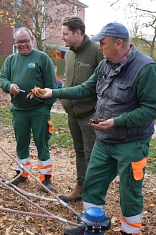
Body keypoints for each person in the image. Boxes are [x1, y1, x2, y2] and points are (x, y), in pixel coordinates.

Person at [36, 22, 156, 235]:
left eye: (103, 43)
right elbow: (86, 88)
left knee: (130, 191)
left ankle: (130, 232)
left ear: (118, 43)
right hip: (104, 140)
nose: (100, 47)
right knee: (92, 185)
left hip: (131, 143)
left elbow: (152, 109)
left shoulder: (145, 68)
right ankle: (92, 227)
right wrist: (54, 93)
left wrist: (117, 121)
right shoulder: (105, 64)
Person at [0, 27, 57, 191]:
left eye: (26, 41)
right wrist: (9, 86)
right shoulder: (11, 60)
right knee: (21, 143)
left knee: (42, 142)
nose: (23, 44)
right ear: (15, 42)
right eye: (19, 42)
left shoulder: (42, 58)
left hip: (39, 109)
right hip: (19, 110)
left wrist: (46, 107)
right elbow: (3, 79)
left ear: (32, 39)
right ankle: (22, 173)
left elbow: (52, 86)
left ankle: (46, 177)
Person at [59, 16, 104, 202]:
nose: (63, 38)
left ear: (78, 33)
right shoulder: (69, 53)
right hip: (72, 114)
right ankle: (80, 187)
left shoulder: (96, 51)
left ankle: (94, 194)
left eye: (65, 34)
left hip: (89, 114)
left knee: (92, 154)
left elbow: (105, 83)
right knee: (79, 151)